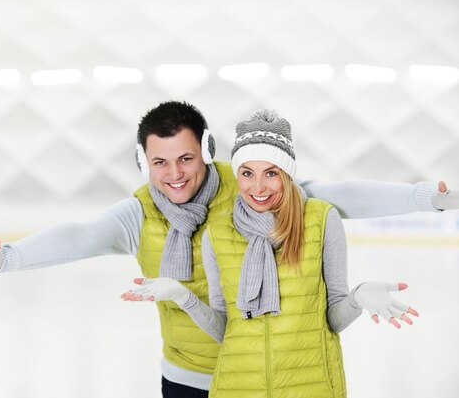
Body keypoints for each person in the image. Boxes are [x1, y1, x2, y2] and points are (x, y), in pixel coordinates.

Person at [0, 101, 455, 398]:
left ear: (207, 151)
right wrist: (5, 259)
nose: (175, 175)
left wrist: (424, 199)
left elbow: (333, 196)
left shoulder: (250, 185)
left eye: (186, 158)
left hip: (265, 377)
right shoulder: (137, 215)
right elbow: (78, 235)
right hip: (185, 378)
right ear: (143, 162)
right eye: (160, 162)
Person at [121, 109, 419, 397]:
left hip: (311, 388)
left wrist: (358, 297)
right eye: (247, 173)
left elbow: (333, 321)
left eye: (271, 173)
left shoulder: (319, 220)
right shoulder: (219, 232)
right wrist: (181, 295)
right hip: (236, 389)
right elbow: (227, 330)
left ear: (287, 173)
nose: (258, 186)